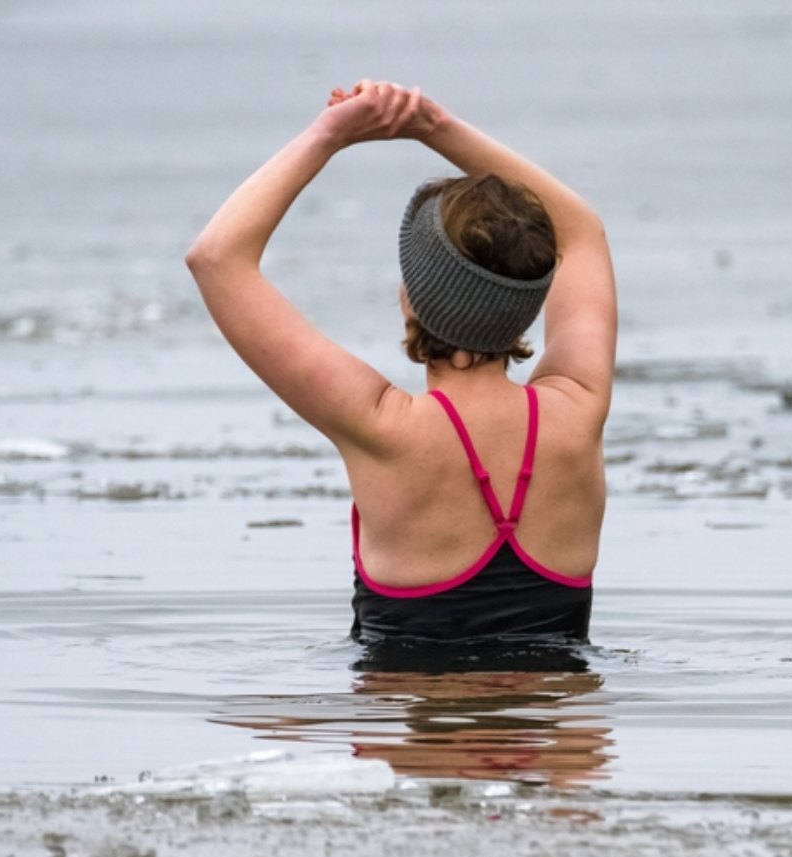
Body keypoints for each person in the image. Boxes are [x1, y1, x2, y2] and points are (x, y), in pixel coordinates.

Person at [186, 80, 616, 643]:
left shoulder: (381, 426)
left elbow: (216, 259)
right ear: (532, 294)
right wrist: (433, 125)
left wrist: (330, 134)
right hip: (555, 718)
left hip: (410, 724)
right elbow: (581, 232)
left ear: (413, 295)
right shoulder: (579, 408)